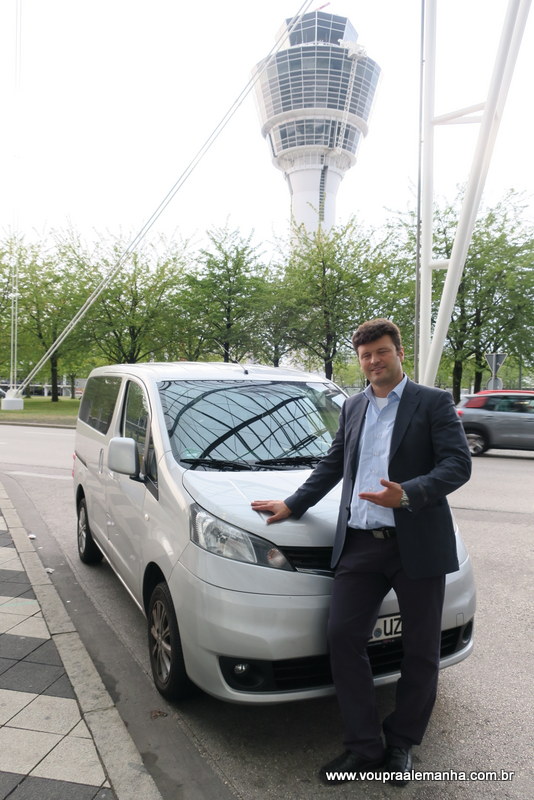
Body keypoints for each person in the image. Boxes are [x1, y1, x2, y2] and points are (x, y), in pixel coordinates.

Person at [251, 318, 471, 787]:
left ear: (400, 353)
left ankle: (401, 744)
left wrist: (408, 493)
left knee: (421, 651)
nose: (374, 362)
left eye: (382, 352)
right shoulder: (352, 407)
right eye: (366, 355)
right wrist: (292, 504)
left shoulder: (432, 403)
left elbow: (457, 464)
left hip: (416, 546)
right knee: (344, 638)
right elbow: (334, 463)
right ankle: (363, 746)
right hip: (360, 546)